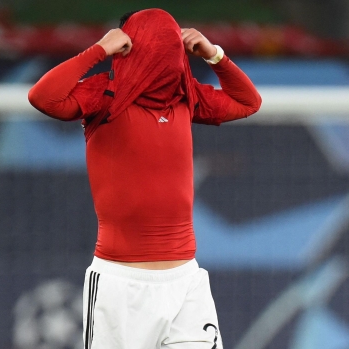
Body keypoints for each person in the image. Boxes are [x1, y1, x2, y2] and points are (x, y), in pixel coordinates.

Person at [28, 8, 261, 349]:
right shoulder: (104, 96)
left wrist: (215, 55)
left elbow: (248, 102)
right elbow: (42, 97)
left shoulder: (185, 97)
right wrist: (99, 49)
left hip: (185, 282)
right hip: (121, 283)